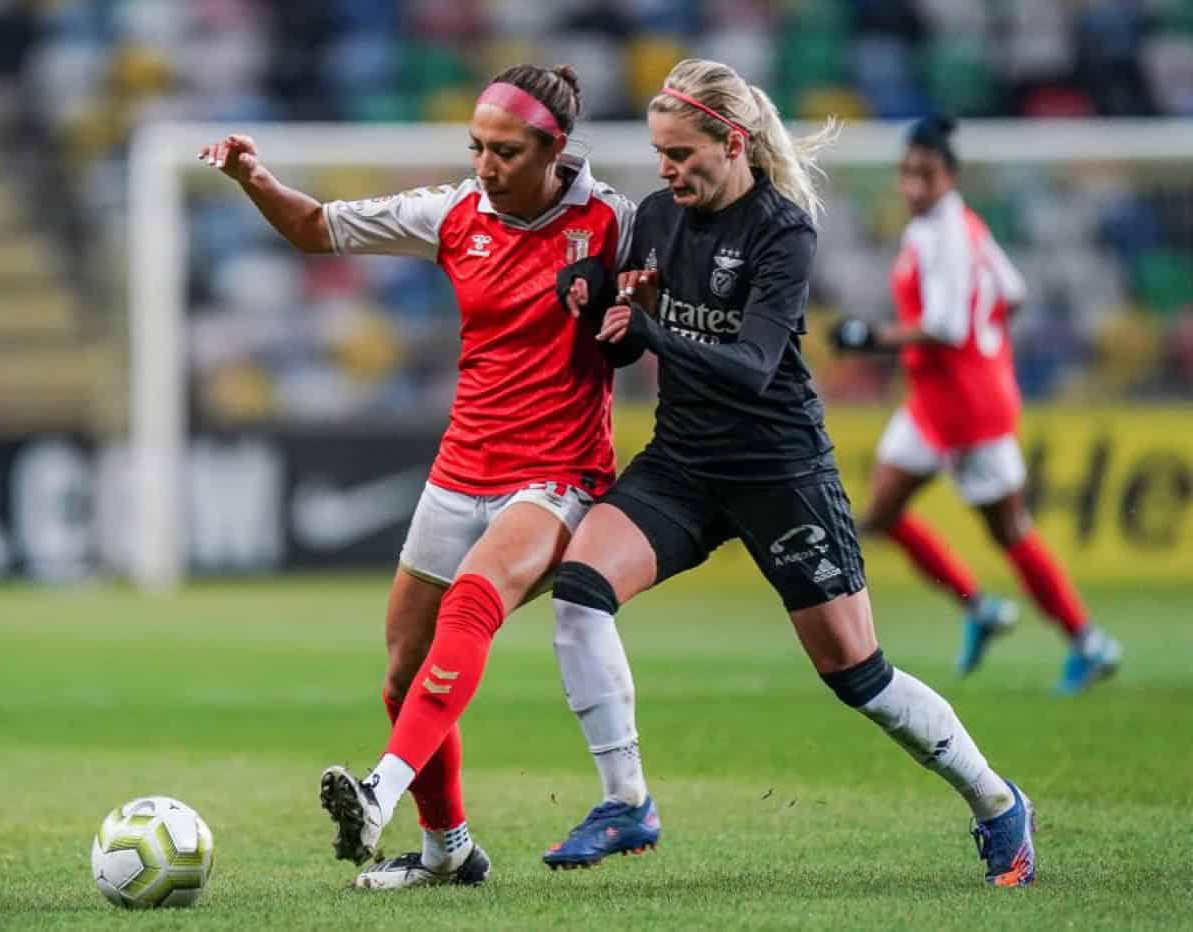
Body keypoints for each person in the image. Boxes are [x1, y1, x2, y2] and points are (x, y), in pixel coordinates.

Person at [540, 59, 1037, 888]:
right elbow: (622, 330)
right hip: (685, 465)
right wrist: (592, 292)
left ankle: (996, 802)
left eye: (681, 152)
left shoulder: (783, 228)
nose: (666, 170)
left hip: (781, 473)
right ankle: (627, 801)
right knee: (579, 593)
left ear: (732, 143)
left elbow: (752, 365)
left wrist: (655, 335)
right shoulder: (659, 217)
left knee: (860, 677)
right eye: (659, 154)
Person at [200, 63, 635, 889]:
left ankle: (380, 791)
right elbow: (314, 228)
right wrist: (256, 178)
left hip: (556, 474)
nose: (486, 165)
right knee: (402, 673)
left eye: (506, 151)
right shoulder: (452, 213)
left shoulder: (617, 222)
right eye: (476, 146)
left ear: (556, 151)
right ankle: (447, 851)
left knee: (473, 605)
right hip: (460, 469)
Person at [830, 115, 1121, 694]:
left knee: (1009, 530)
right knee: (880, 515)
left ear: (950, 176)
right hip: (935, 400)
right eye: (907, 174)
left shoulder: (946, 235)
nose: (913, 187)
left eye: (926, 176)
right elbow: (1012, 293)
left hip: (967, 409)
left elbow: (944, 325)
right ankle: (981, 607)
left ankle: (1088, 640)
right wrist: (987, 350)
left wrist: (873, 338)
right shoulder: (954, 225)